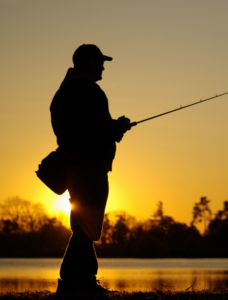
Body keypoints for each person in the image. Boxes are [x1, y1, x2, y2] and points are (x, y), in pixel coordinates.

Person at [50, 44, 131, 293]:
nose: (103, 66)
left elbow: (79, 128)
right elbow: (97, 129)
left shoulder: (65, 90)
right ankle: (77, 282)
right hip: (90, 166)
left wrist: (111, 129)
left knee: (84, 225)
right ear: (89, 63)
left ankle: (78, 281)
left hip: (75, 166)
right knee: (88, 225)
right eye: (100, 62)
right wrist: (118, 127)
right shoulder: (90, 90)